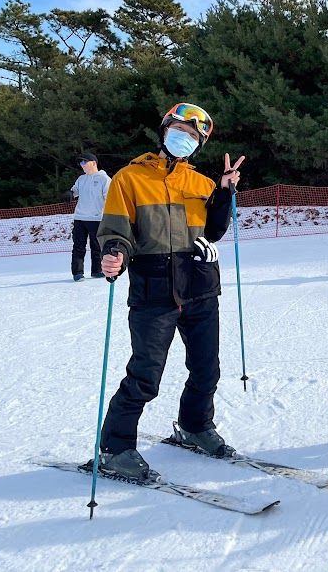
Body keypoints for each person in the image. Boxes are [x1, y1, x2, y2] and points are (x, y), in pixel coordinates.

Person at [96, 102, 244, 481]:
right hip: (154, 289)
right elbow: (116, 230)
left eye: (194, 136)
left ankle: (194, 427)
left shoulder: (202, 183)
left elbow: (212, 232)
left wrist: (225, 192)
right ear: (165, 131)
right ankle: (115, 448)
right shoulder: (128, 179)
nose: (186, 139)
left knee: (206, 369)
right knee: (145, 376)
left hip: (200, 284)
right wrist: (115, 253)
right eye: (180, 130)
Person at [69, 153, 111, 281]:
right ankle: (77, 272)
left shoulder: (105, 179)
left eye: (84, 162)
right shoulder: (81, 179)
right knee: (78, 246)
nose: (82, 165)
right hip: (80, 217)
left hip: (97, 218)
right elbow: (74, 190)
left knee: (96, 246)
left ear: (93, 163)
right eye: (80, 163)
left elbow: (109, 198)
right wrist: (70, 193)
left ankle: (97, 271)